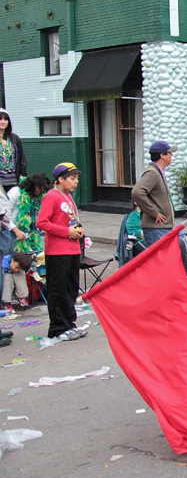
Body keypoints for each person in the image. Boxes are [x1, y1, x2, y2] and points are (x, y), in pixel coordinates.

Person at [132, 141, 187, 283]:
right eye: (169, 153)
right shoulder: (152, 172)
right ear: (162, 155)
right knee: (161, 266)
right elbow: (137, 192)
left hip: (162, 227)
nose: (171, 155)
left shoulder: (157, 172)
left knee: (167, 264)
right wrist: (154, 212)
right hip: (156, 227)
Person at [37, 163, 87, 341]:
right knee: (58, 291)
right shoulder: (51, 196)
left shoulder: (67, 196)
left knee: (70, 290)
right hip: (57, 251)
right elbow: (42, 222)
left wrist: (77, 230)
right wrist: (67, 231)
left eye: (77, 178)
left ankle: (69, 324)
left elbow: (68, 220)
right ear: (60, 179)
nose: (76, 182)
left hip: (72, 249)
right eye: (72, 178)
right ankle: (58, 328)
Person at [9, 173, 50, 254]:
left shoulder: (37, 197)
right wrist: (16, 230)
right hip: (12, 231)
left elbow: (36, 214)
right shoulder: (15, 192)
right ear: (33, 184)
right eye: (40, 187)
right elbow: (4, 216)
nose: (42, 190)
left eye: (44, 188)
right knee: (16, 258)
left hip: (29, 233)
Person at [0, 108, 27, 191]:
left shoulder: (15, 138)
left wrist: (23, 179)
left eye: (5, 119)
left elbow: (22, 160)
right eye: (0, 119)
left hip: (14, 182)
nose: (3, 122)